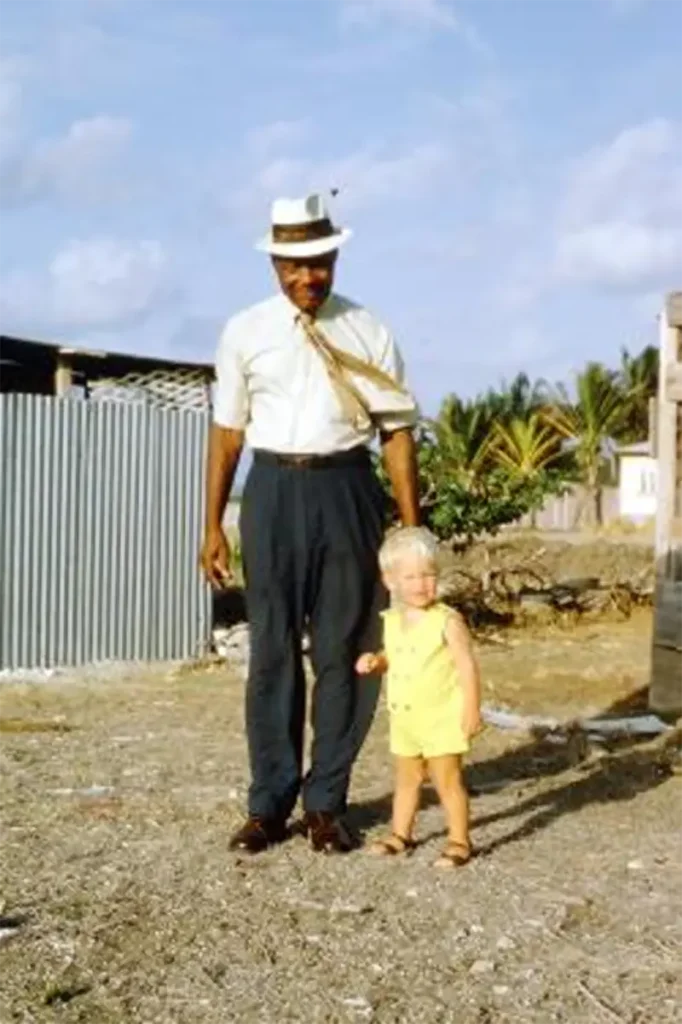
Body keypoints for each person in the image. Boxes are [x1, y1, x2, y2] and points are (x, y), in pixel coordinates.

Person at [200, 193, 420, 854]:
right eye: (292, 264)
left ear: (333, 256)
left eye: (317, 261)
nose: (307, 277)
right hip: (270, 490)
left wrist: (411, 534)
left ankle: (327, 804)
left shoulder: (369, 330)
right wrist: (213, 525)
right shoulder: (245, 331)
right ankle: (268, 804)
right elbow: (227, 436)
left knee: (345, 651)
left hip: (347, 489)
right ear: (274, 261)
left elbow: (398, 434)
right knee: (272, 651)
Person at [356, 526, 482, 867]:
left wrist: (471, 708)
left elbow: (467, 666)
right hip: (406, 717)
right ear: (390, 581)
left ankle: (459, 839)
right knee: (407, 778)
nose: (420, 584)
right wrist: (377, 661)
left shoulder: (447, 621)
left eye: (428, 575)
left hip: (441, 717)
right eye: (410, 577)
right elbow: (393, 654)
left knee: (447, 779)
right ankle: (401, 833)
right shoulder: (393, 620)